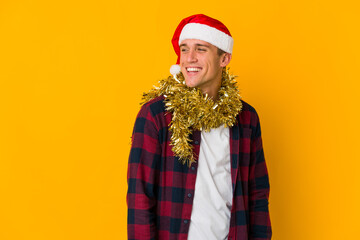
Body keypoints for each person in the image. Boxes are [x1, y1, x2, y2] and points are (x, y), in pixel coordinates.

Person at [127, 14, 272, 240]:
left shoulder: (246, 118)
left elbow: (258, 193)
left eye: (201, 49)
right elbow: (140, 196)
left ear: (224, 58)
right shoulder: (156, 116)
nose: (189, 58)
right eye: (184, 49)